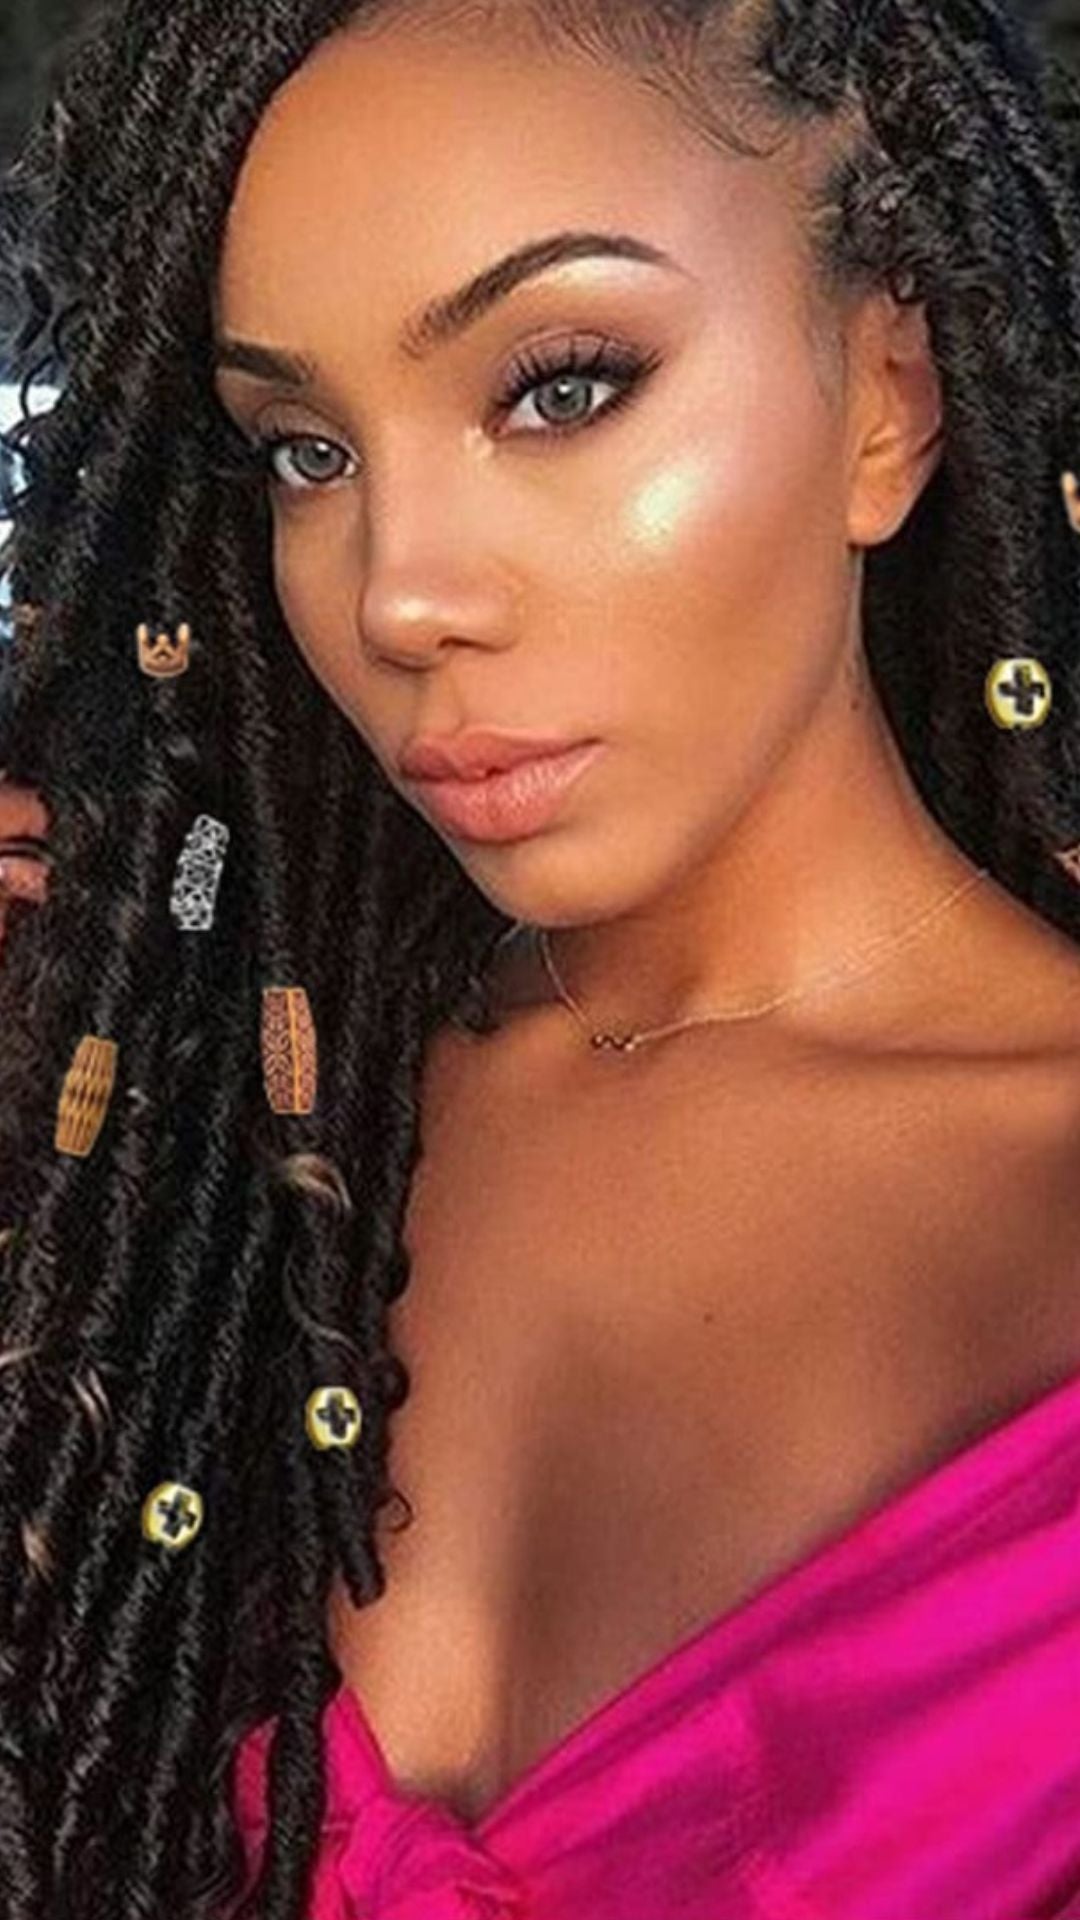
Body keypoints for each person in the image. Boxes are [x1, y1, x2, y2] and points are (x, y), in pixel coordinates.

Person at [4, 0, 1080, 1915]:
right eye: (306, 451)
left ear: (888, 395)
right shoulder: (220, 1149)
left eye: (562, 389)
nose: (400, 591)